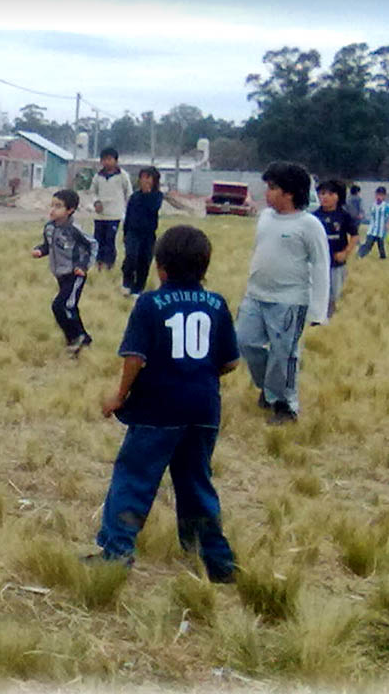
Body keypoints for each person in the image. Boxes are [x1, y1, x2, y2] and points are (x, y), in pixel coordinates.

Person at [92, 225, 240, 583]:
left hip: (156, 409)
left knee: (134, 479)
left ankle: (117, 554)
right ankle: (216, 562)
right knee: (195, 482)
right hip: (203, 409)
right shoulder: (217, 303)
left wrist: (120, 396)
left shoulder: (149, 303)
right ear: (205, 266)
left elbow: (135, 358)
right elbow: (231, 362)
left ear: (161, 268)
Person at [236, 162, 330, 426]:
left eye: (273, 187)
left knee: (283, 354)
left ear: (290, 193)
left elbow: (321, 267)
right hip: (255, 296)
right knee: (245, 342)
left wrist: (318, 311)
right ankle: (269, 388)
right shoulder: (265, 217)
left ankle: (285, 405)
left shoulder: (309, 225)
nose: (267, 192)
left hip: (289, 302)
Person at [32, 189, 98, 357]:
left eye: (58, 206)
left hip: (75, 274)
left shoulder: (74, 230)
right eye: (52, 205)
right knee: (71, 306)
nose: (53, 210)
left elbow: (92, 245)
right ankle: (83, 339)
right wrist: (40, 251)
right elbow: (48, 246)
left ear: (70, 210)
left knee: (60, 306)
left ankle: (75, 338)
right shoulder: (49, 228)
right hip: (60, 274)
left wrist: (83, 266)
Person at [313, 179, 359, 318]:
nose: (325, 197)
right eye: (322, 193)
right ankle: (316, 318)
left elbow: (355, 236)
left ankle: (329, 319)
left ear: (338, 196)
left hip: (336, 264)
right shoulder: (314, 216)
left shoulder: (344, 216)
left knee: (333, 294)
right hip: (318, 263)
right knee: (318, 292)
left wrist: (345, 253)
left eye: (330, 193)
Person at [120, 166, 164, 298]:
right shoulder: (134, 196)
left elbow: (153, 208)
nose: (145, 180)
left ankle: (138, 289)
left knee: (144, 261)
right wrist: (125, 233)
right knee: (131, 257)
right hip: (133, 232)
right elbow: (128, 215)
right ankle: (126, 283)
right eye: (143, 177)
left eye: (149, 177)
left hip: (148, 234)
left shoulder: (157, 196)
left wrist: (147, 193)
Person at [89, 147, 132, 271]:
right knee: (98, 240)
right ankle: (98, 264)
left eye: (109, 159)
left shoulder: (123, 176)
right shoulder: (98, 176)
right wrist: (96, 202)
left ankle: (109, 265)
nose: (106, 162)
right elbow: (92, 192)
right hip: (100, 215)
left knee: (110, 240)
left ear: (115, 160)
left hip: (115, 215)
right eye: (104, 160)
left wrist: (129, 211)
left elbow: (129, 193)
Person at [358, 186, 389, 259]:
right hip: (372, 229)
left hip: (381, 230)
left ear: (384, 196)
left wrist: (388, 225)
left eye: (381, 195)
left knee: (381, 245)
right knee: (368, 243)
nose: (379, 197)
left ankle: (383, 257)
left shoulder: (386, 206)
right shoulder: (373, 205)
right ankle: (361, 254)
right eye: (378, 195)